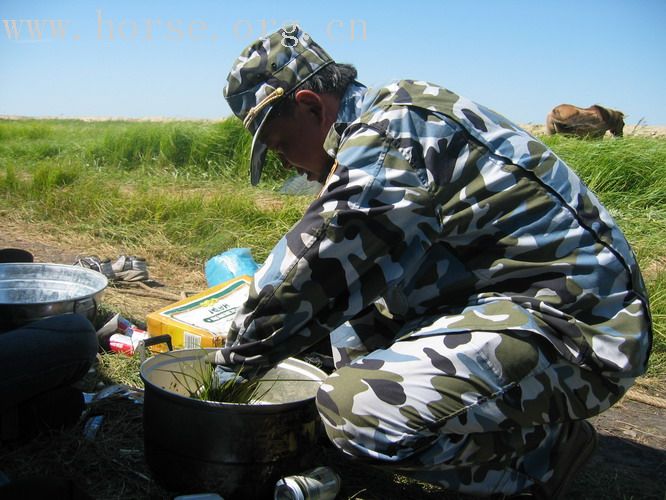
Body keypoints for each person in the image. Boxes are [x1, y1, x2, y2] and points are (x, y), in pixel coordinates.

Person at [209, 26, 652, 498]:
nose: (286, 166)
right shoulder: (392, 116)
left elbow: (314, 261)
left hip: (582, 329)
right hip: (522, 302)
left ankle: (535, 462)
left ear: (312, 106)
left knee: (354, 409)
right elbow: (349, 275)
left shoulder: (389, 134)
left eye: (279, 147)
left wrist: (230, 366)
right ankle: (515, 431)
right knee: (343, 330)